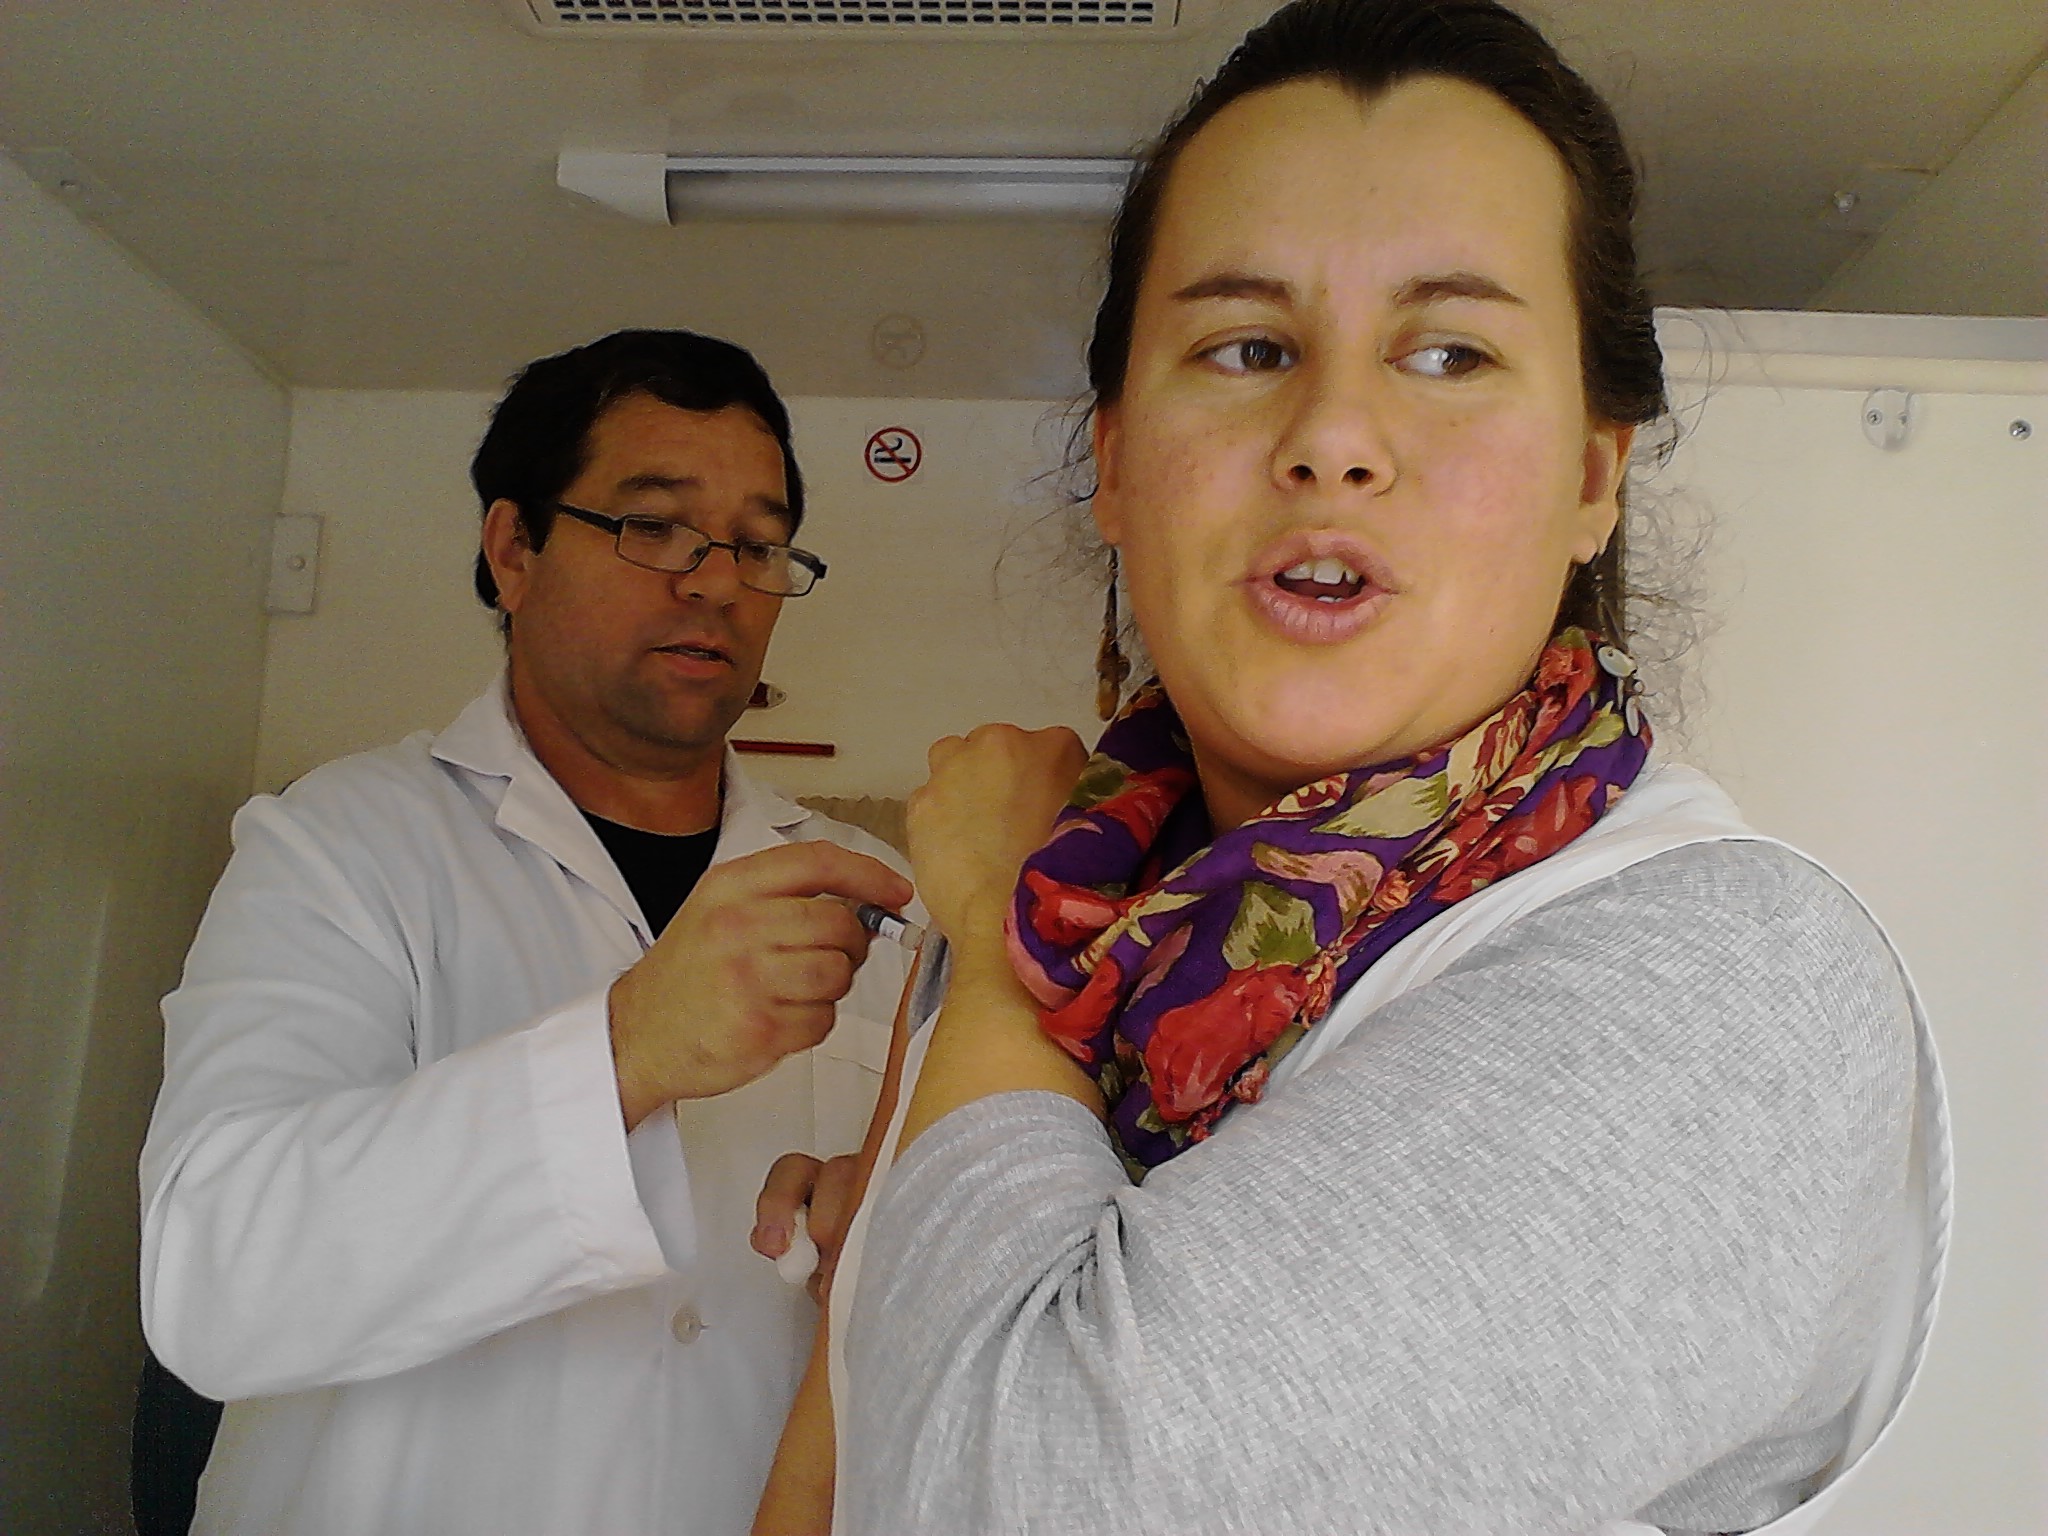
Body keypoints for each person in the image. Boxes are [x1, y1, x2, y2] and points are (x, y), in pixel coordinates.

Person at [759, 3, 1949, 1532]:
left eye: (1450, 353)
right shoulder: (1077, 882)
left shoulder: (1733, 979)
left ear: (1593, 474)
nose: (1332, 436)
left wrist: (993, 938)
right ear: (1115, 462)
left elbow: (1028, 1496)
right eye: (1246, 348)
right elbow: (840, 1430)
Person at [138, 328, 915, 1535]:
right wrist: (622, 1053)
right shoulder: (338, 843)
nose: (716, 582)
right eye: (653, 525)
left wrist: (899, 1228)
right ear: (513, 550)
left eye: (758, 546)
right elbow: (211, 1280)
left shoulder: (880, 894)